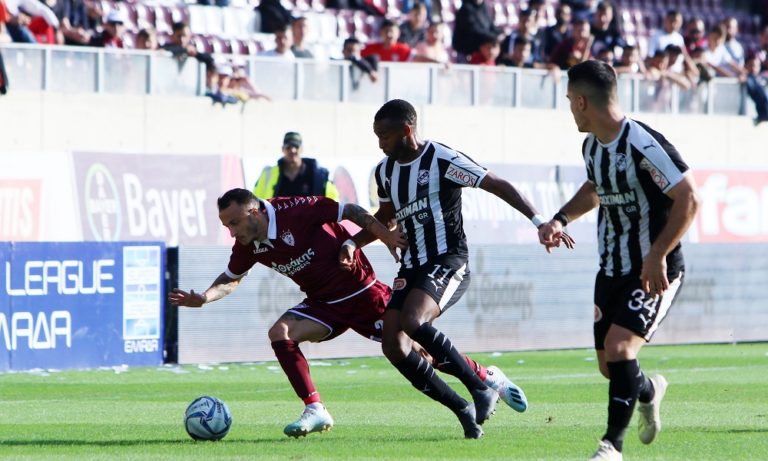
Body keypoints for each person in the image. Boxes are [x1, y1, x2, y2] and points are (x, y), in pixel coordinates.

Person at [171, 188, 526, 437]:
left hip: (362, 294)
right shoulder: (248, 244)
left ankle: (486, 377)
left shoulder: (296, 209)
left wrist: (383, 236)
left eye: (233, 222)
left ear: (254, 212)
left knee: (421, 354)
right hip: (322, 304)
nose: (231, 231)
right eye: (226, 226)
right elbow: (231, 278)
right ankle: (315, 409)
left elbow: (352, 211)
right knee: (280, 333)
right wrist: (204, 297)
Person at [345, 99, 555, 438]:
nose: (380, 144)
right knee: (393, 345)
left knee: (414, 321)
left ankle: (480, 387)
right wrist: (354, 242)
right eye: (377, 136)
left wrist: (539, 221)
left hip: (448, 259)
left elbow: (494, 183)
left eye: (385, 136)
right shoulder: (385, 171)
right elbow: (386, 217)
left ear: (407, 130)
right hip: (411, 266)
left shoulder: (441, 159)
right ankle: (462, 409)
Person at [538, 60, 699, 461]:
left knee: (621, 348)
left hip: (653, 270)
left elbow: (689, 198)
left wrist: (657, 254)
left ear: (581, 102)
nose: (569, 109)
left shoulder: (643, 144)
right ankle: (649, 390)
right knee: (611, 368)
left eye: (569, 101)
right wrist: (560, 219)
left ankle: (612, 446)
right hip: (610, 269)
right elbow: (596, 187)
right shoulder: (592, 145)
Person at [253, 132, 339, 200]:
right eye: (288, 147)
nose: (293, 150)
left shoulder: (319, 176)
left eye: (296, 146)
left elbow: (333, 203)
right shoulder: (268, 175)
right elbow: (257, 201)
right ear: (282, 149)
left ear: (302, 149)